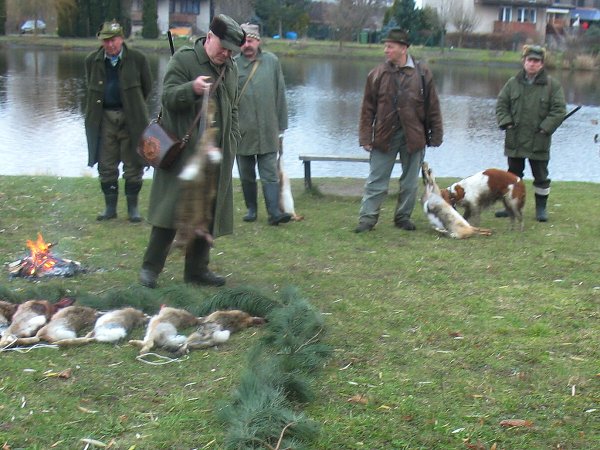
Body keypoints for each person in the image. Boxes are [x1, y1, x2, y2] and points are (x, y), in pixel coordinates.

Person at [139, 14, 245, 288]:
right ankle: (150, 270)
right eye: (222, 47)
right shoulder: (184, 60)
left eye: (231, 50)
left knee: (205, 213)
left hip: (215, 155)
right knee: (169, 213)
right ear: (210, 37)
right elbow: (168, 98)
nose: (226, 53)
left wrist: (232, 139)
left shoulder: (230, 67)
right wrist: (193, 88)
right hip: (184, 155)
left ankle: (197, 270)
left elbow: (232, 107)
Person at [355, 28, 443, 233]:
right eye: (385, 46)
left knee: (410, 182)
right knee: (376, 180)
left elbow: (433, 106)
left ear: (403, 48)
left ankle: (403, 217)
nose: (385, 50)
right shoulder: (377, 74)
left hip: (414, 136)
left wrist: (436, 134)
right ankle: (367, 219)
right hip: (384, 136)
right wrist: (366, 137)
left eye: (390, 46)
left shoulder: (422, 73)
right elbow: (367, 109)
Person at [84, 20, 152, 223]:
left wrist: (133, 106)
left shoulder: (138, 59)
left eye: (113, 40)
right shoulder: (92, 60)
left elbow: (147, 87)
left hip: (132, 119)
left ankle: (133, 209)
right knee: (106, 164)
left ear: (122, 39)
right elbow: (90, 87)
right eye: (106, 40)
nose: (110, 44)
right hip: (104, 118)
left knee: (134, 164)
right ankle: (110, 209)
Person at [495, 45, 566, 222]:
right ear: (524, 62)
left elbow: (559, 110)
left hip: (539, 140)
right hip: (515, 139)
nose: (533, 64)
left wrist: (545, 128)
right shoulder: (512, 83)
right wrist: (507, 123)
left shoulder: (553, 86)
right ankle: (511, 207)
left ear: (541, 64)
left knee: (541, 177)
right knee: (512, 175)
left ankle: (541, 209)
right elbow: (501, 105)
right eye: (530, 60)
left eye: (536, 61)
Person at [234, 23, 291, 225]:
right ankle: (251, 209)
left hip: (268, 129)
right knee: (247, 175)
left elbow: (280, 95)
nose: (247, 45)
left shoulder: (272, 62)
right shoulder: (232, 65)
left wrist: (282, 127)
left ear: (258, 41)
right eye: (243, 41)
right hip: (242, 131)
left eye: (250, 40)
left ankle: (274, 212)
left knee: (269, 174)